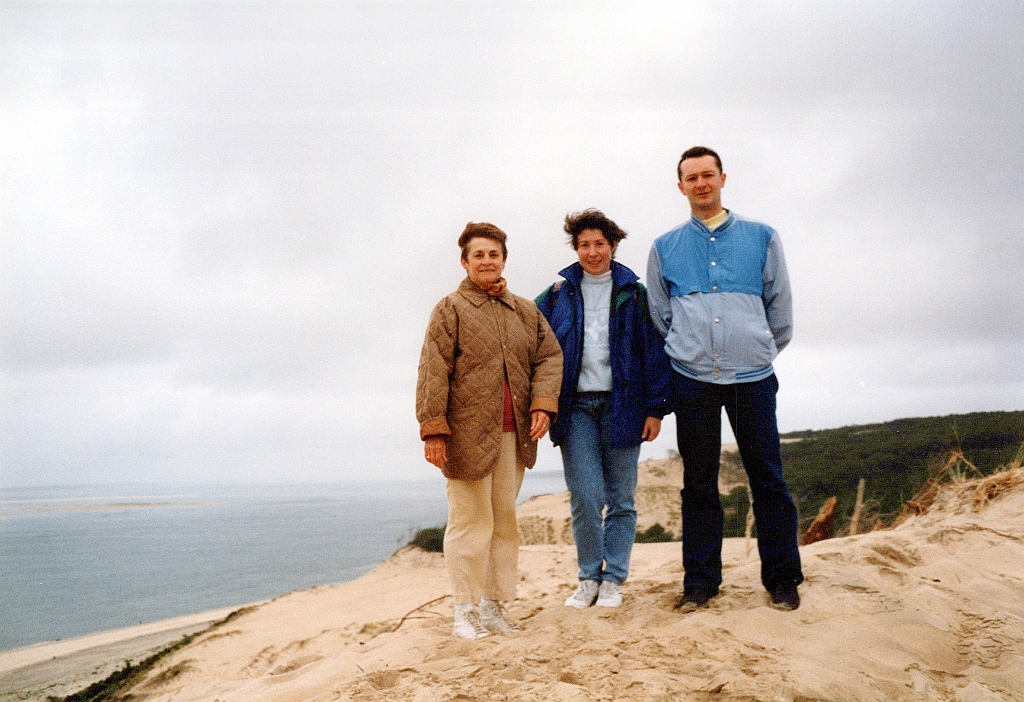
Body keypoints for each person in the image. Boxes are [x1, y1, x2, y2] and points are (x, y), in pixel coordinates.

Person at [647, 146, 804, 612]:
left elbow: (781, 309)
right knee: (698, 483)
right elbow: (660, 315)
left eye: (707, 175)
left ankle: (782, 579)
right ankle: (700, 583)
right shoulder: (665, 247)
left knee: (767, 479)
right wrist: (691, 352)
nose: (701, 184)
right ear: (681, 187)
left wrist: (754, 348)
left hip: (752, 378)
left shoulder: (762, 237)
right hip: (691, 379)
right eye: (691, 178)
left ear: (722, 178)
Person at [416, 222, 563, 640]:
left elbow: (549, 357)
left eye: (493, 254)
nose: (486, 261)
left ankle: (494, 607)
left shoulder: (525, 311)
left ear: (503, 260)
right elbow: (433, 370)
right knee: (469, 522)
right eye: (478, 255)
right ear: (465, 262)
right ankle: (465, 611)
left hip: (513, 435)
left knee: (503, 522)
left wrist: (542, 404)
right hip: (464, 436)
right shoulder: (450, 308)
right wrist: (433, 430)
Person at [536, 209, 672, 609]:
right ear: (575, 248)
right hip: (575, 407)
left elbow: (656, 353)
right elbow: (530, 337)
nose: (592, 252)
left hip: (624, 405)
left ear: (613, 245)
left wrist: (656, 410)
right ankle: (587, 578)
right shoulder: (557, 295)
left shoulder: (636, 294)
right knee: (585, 495)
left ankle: (613, 578)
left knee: (621, 497)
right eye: (584, 245)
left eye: (600, 244)